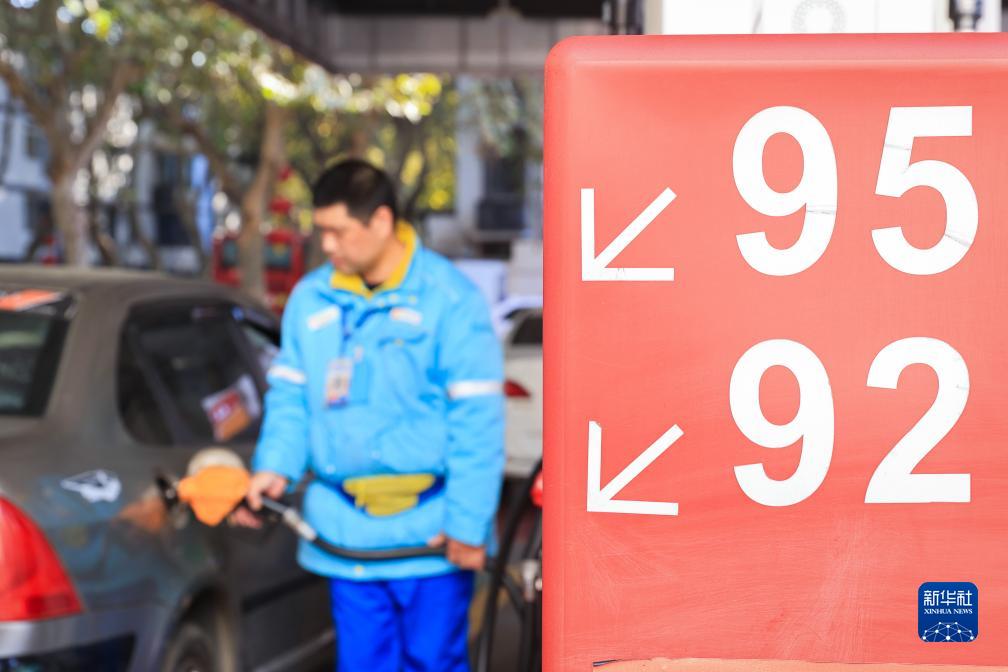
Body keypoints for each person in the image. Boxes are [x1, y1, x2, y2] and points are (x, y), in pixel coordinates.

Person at [234, 158, 505, 671]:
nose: (327, 246)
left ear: (381, 221)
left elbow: (477, 421)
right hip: (347, 538)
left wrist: (468, 524)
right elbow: (291, 400)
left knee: (433, 662)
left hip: (432, 538)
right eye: (322, 232)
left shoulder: (450, 300)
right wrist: (274, 468)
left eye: (338, 231)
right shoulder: (311, 300)